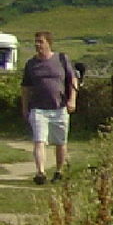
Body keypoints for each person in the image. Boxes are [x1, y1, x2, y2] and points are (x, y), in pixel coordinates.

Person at [20, 31, 79, 185]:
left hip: (59, 107)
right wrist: (25, 108)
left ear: (48, 43)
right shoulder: (31, 64)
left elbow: (72, 79)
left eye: (40, 41)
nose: (37, 45)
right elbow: (25, 88)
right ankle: (40, 172)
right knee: (39, 140)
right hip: (38, 108)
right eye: (36, 41)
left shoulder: (61, 59)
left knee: (60, 142)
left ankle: (59, 171)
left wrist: (72, 99)